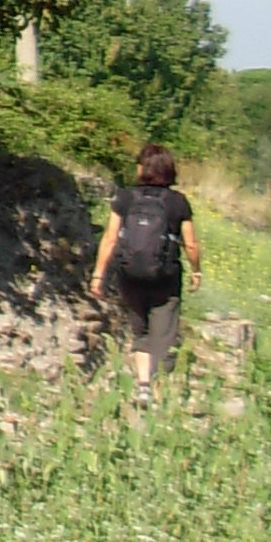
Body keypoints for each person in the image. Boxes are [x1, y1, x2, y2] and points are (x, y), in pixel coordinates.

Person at [91, 143, 203, 399]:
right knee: (164, 334)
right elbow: (191, 244)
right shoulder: (177, 202)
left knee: (140, 329)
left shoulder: (125, 198)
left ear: (143, 168)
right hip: (165, 277)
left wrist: (98, 274)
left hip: (129, 274)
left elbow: (110, 238)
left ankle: (143, 386)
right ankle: (159, 390)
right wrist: (196, 271)